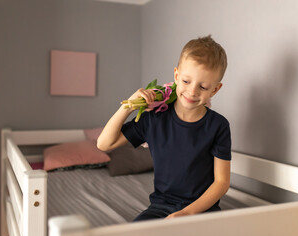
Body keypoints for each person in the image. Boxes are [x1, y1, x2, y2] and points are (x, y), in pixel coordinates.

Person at [97, 35, 231, 221]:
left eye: (203, 86)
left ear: (215, 89)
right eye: (186, 81)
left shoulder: (218, 125)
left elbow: (222, 182)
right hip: (161, 208)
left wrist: (187, 213)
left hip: (202, 211)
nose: (192, 91)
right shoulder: (154, 119)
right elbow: (104, 144)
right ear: (176, 76)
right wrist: (128, 106)